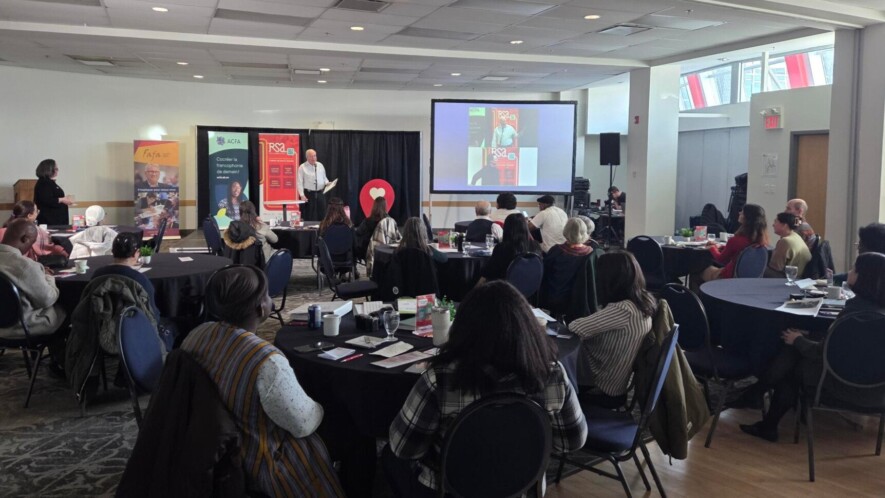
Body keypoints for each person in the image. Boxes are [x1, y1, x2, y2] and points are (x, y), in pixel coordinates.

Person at [384, 281, 587, 497]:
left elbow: (403, 448)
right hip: (521, 489)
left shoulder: (440, 380)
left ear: (463, 329)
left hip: (448, 491)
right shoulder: (552, 375)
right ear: (527, 328)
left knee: (390, 456)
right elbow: (573, 441)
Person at [180, 266, 344, 496]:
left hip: (205, 443)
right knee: (351, 432)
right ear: (261, 308)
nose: (271, 301)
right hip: (254, 456)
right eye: (267, 296)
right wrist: (321, 403)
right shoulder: (267, 361)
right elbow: (304, 423)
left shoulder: (197, 334)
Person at [740, 252, 885, 443]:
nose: (849, 271)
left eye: (853, 268)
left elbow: (823, 354)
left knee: (791, 364)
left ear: (863, 277)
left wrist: (798, 339)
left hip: (841, 385)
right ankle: (759, 398)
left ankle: (762, 405)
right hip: (878, 391)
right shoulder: (877, 314)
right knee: (796, 350)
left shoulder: (852, 316)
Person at [568, 251, 656, 408]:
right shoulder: (643, 303)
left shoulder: (624, 310)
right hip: (615, 381)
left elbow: (575, 327)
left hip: (600, 387)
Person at [0, 219, 66, 340]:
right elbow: (48, 299)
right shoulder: (25, 266)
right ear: (25, 239)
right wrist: (48, 277)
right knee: (69, 307)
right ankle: (62, 357)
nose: (31, 247)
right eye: (32, 242)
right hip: (21, 326)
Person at [92, 232, 160, 319]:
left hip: (99, 328)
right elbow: (153, 314)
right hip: (134, 330)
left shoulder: (96, 275)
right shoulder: (140, 280)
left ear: (112, 251)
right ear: (137, 253)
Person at [696, 204, 769, 282]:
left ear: (746, 218)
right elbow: (737, 251)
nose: (739, 213)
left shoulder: (735, 240)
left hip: (728, 277)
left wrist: (712, 248)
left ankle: (699, 293)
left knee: (698, 269)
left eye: (742, 212)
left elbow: (721, 259)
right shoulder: (762, 242)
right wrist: (721, 247)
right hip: (748, 281)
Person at [541, 218, 594, 316]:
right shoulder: (591, 253)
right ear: (585, 232)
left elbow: (544, 274)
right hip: (582, 301)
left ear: (566, 231)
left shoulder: (557, 251)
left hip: (558, 298)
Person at [477, 213, 542, 284]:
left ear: (506, 229)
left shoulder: (502, 248)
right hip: (530, 289)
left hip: (505, 290)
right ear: (526, 228)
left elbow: (488, 273)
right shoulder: (536, 246)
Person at [0, 201, 68, 261]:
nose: (38, 212)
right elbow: (49, 248)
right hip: (23, 264)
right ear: (29, 215)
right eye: (36, 211)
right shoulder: (34, 231)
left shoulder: (2, 230)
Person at [764, 212, 811, 278]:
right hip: (799, 276)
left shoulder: (785, 241)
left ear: (784, 225)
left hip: (787, 277)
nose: (773, 225)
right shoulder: (796, 236)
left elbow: (776, 267)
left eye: (776, 222)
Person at [365, 198, 400, 277]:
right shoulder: (391, 221)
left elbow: (360, 235)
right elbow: (397, 238)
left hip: (371, 251)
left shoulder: (368, 221)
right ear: (385, 207)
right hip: (388, 251)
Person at [34, 158, 73, 226]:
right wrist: (62, 199)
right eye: (56, 169)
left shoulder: (50, 182)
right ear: (49, 169)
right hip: (50, 220)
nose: (58, 170)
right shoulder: (44, 182)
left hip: (57, 220)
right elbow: (46, 200)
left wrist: (64, 199)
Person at [297, 149, 330, 222]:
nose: (314, 158)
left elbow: (324, 178)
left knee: (322, 212)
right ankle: (308, 231)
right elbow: (299, 182)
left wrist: (327, 183)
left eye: (315, 156)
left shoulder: (320, 165)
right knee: (309, 214)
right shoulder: (302, 167)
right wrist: (302, 195)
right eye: (311, 156)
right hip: (309, 193)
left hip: (320, 193)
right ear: (307, 157)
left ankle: (322, 230)